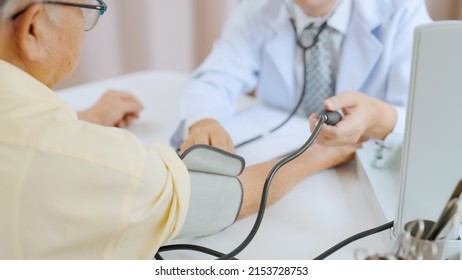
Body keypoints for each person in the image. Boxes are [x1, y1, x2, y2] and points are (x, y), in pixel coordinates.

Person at [0, 0, 355, 259]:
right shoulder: (103, 165)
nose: (86, 22)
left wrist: (84, 117)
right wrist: (315, 157)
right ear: (33, 27)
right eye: (86, 9)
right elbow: (217, 196)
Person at [175, 0, 432, 153]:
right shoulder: (258, 9)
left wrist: (377, 117)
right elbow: (214, 79)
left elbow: (429, 120)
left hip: (367, 166)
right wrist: (203, 121)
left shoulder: (401, 10)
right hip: (284, 158)